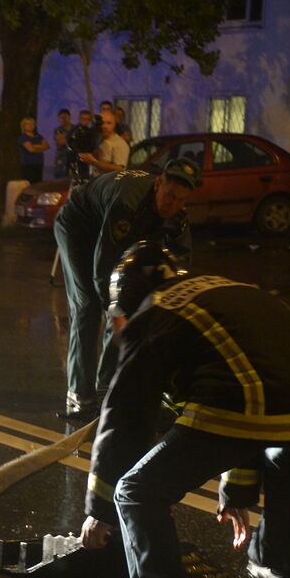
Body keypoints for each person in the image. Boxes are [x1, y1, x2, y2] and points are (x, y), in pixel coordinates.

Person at [81, 241, 290, 578]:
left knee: (136, 491)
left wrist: (99, 508)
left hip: (256, 402)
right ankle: (276, 568)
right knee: (282, 455)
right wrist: (238, 489)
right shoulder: (223, 290)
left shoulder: (152, 316)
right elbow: (245, 386)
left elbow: (127, 417)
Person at [54, 158, 198, 421]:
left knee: (128, 307)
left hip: (123, 238)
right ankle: (79, 397)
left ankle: (106, 388)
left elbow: (180, 271)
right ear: (158, 185)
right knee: (88, 307)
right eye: (169, 196)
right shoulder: (127, 203)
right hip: (79, 228)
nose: (173, 205)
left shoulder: (177, 216)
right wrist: (116, 311)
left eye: (181, 200)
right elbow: (103, 268)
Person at [65, 110, 98, 182]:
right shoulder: (74, 131)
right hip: (75, 159)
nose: (85, 121)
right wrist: (78, 154)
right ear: (79, 119)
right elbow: (70, 144)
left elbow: (93, 145)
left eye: (87, 119)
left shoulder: (90, 132)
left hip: (87, 160)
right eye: (83, 119)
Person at [18, 116, 48, 184]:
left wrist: (35, 146)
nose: (31, 126)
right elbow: (31, 149)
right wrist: (40, 147)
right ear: (24, 126)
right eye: (28, 124)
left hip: (39, 164)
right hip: (28, 165)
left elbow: (47, 146)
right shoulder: (23, 137)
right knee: (29, 184)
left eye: (32, 124)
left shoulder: (38, 136)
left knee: (38, 183)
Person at [52, 109, 73, 179]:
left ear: (69, 117)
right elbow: (61, 142)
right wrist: (71, 140)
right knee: (59, 179)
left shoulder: (75, 128)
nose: (63, 119)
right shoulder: (57, 130)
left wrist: (65, 139)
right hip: (61, 158)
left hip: (72, 157)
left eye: (65, 117)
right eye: (61, 118)